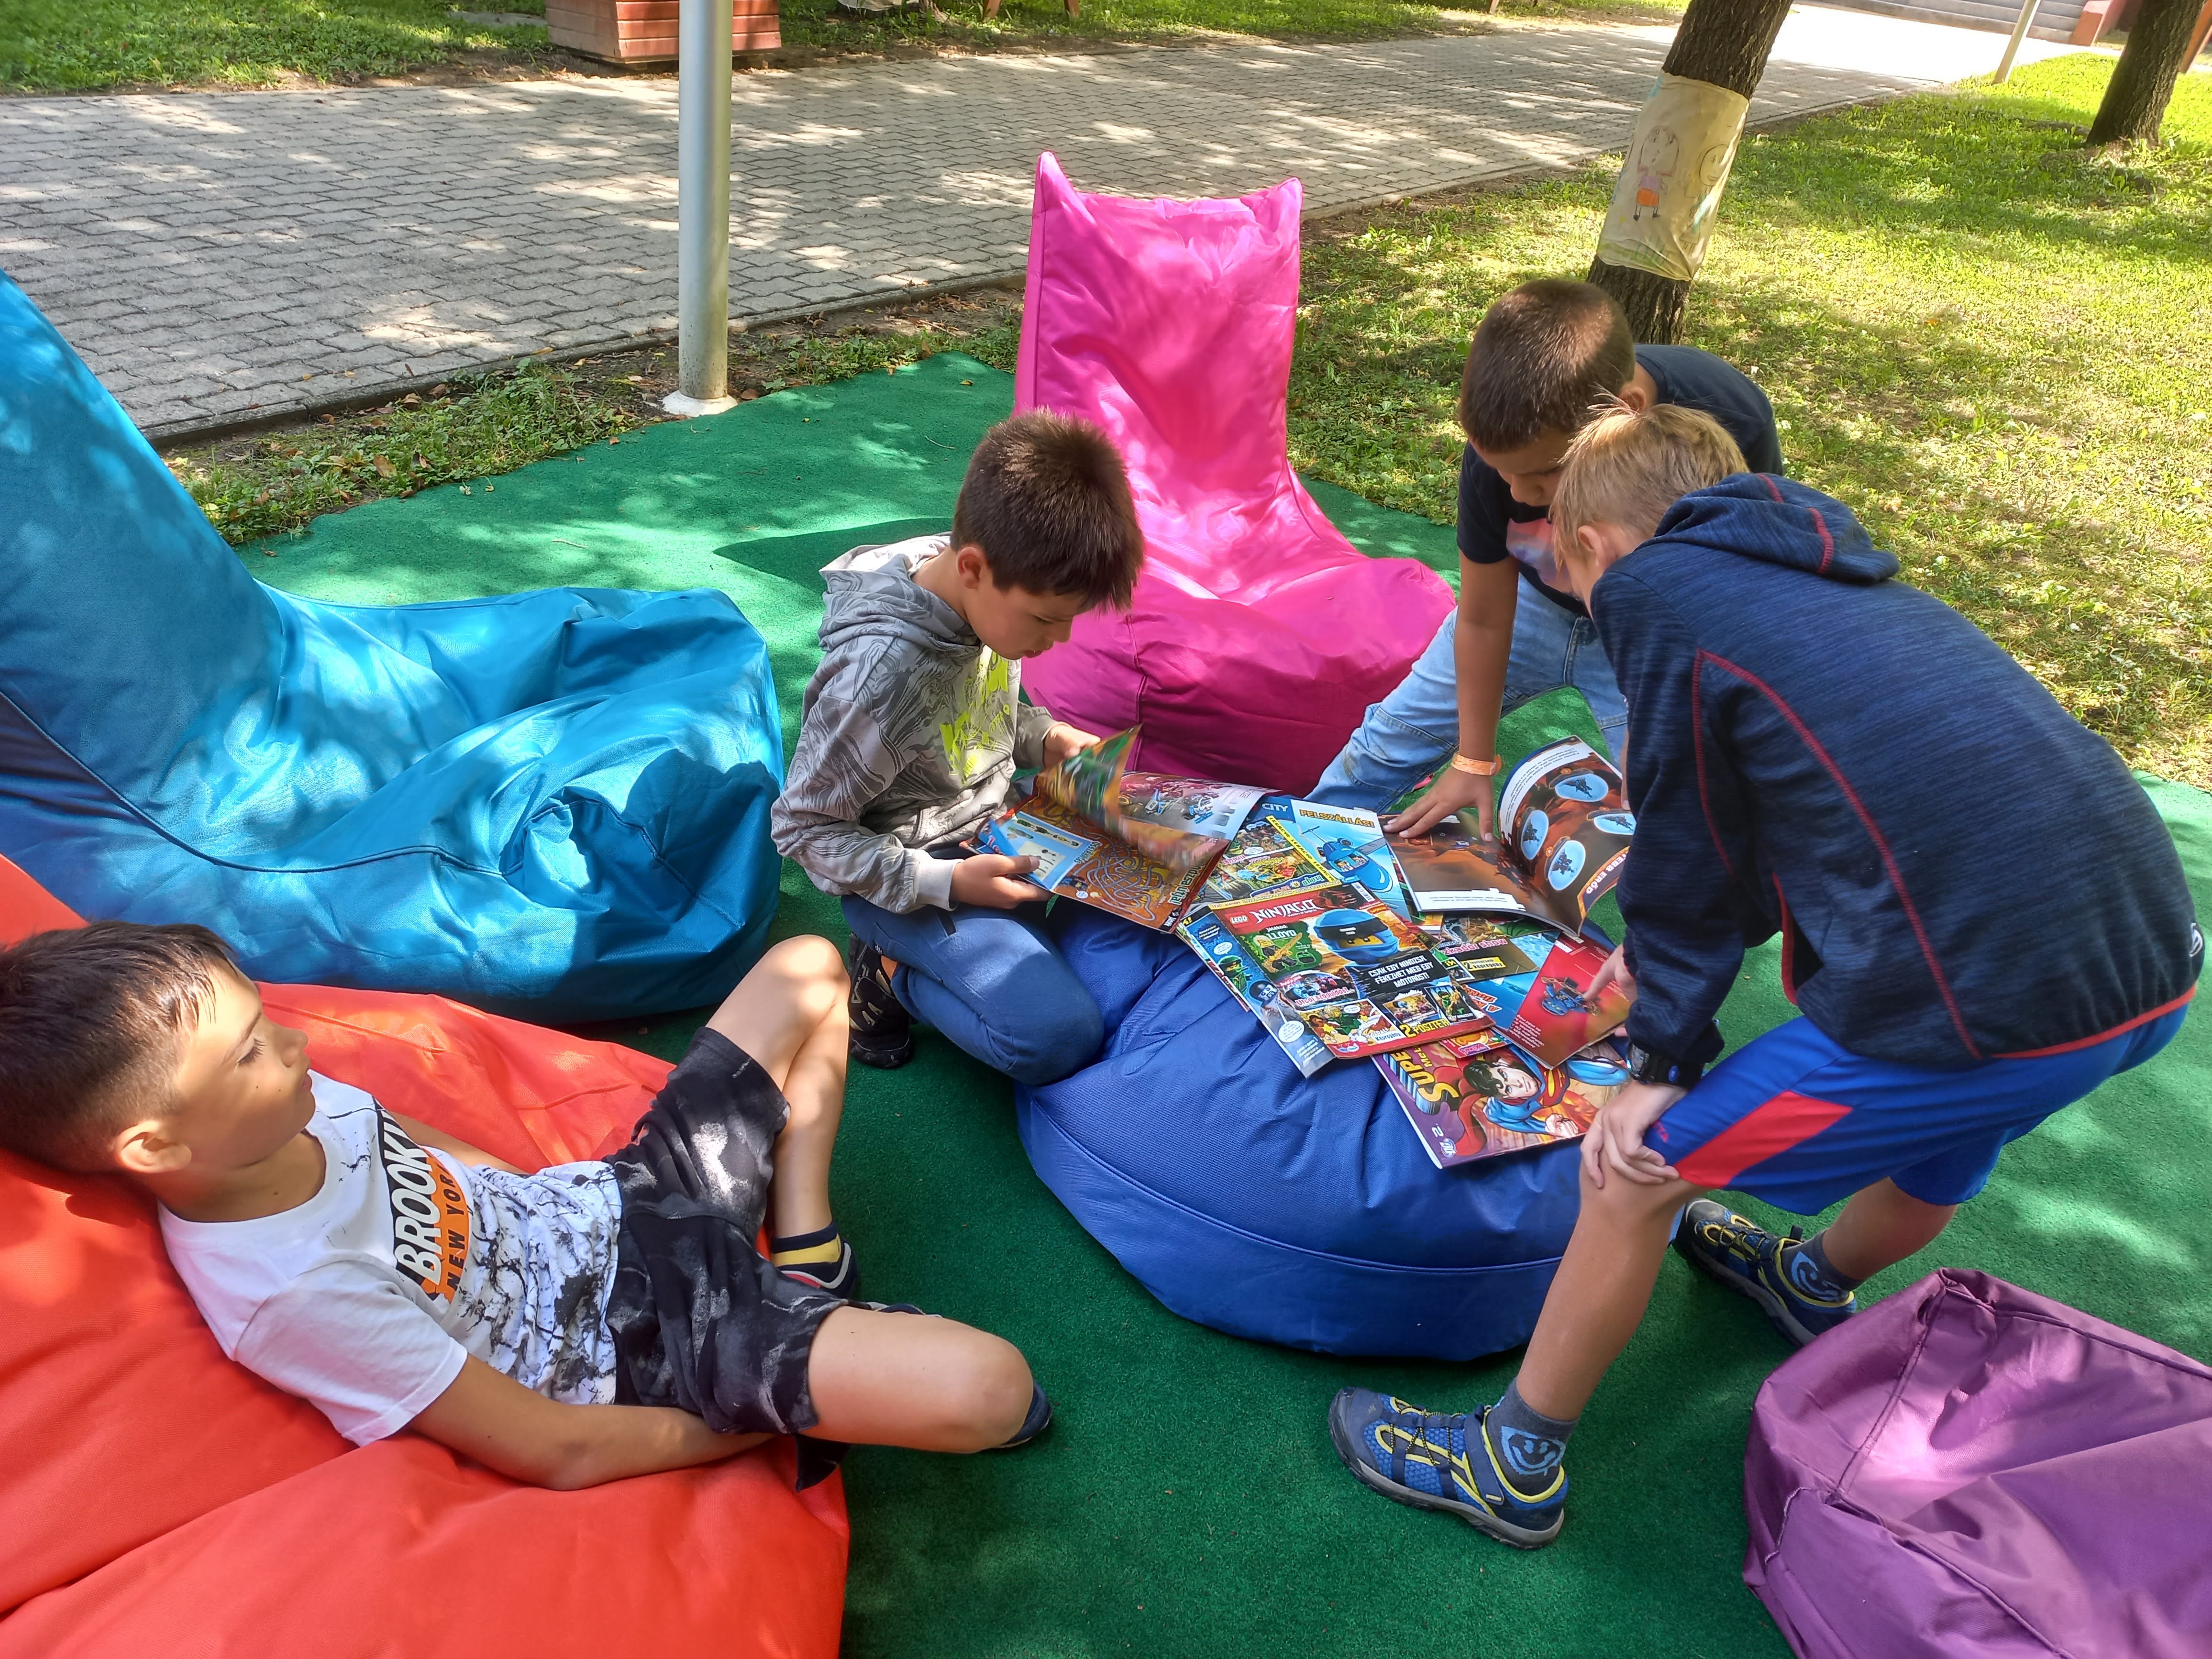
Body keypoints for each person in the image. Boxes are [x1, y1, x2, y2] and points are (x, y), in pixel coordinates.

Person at [1328, 404, 2200, 1548]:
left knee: (1638, 1170)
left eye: (1565, 568)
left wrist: (1660, 1057)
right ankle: (1808, 1281)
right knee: (1954, 1124)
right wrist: (1660, 966)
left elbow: (1687, 840)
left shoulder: (1651, 595)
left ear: (1590, 546)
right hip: (2148, 970)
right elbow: (1771, 824)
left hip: (1981, 1000)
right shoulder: (1820, 571)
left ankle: (1510, 1461)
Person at [0, 921, 1050, 1491]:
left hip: (619, 1204)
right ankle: (802, 1334)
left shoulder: (295, 1103)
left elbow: (441, 1154)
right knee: (993, 1391)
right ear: (155, 1145)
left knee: (808, 968)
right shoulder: (290, 1293)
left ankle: (809, 1246)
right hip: (649, 1343)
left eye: (267, 1021)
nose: (297, 1043)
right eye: (249, 1054)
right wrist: (748, 1426)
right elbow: (553, 1447)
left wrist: (570, 1192)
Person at [1308, 279, 1779, 836]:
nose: (1518, 493)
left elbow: (1734, 585)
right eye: (1500, 471)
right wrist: (1472, 759)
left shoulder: (1729, 419)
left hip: (1653, 630)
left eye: (1544, 473)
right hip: (1529, 610)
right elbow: (1483, 618)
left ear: (1625, 411)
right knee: (1381, 748)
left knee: (1677, 807)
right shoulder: (1511, 445)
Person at [772, 411, 1145, 1084]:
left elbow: (974, 715)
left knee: (1152, 856)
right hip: (913, 867)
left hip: (996, 823)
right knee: (1056, 1039)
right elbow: (803, 828)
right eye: (1045, 619)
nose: (1057, 641)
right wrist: (941, 882)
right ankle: (888, 973)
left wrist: (1042, 735)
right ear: (972, 568)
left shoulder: (980, 588)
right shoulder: (877, 676)